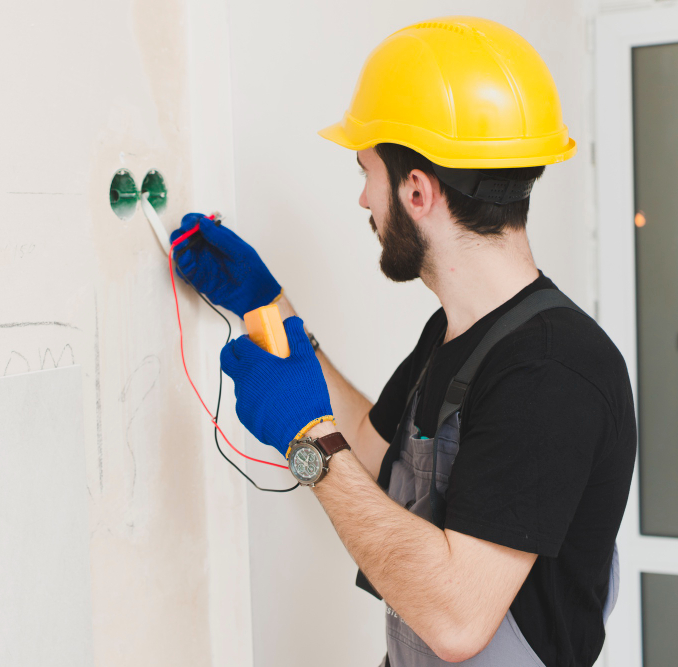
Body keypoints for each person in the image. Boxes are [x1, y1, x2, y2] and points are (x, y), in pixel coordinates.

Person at [171, 16, 636, 667]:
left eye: (367, 172)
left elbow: (455, 616)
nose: (363, 198)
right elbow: (376, 446)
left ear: (417, 190)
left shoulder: (552, 371)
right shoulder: (464, 331)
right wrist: (270, 309)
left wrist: (307, 441)